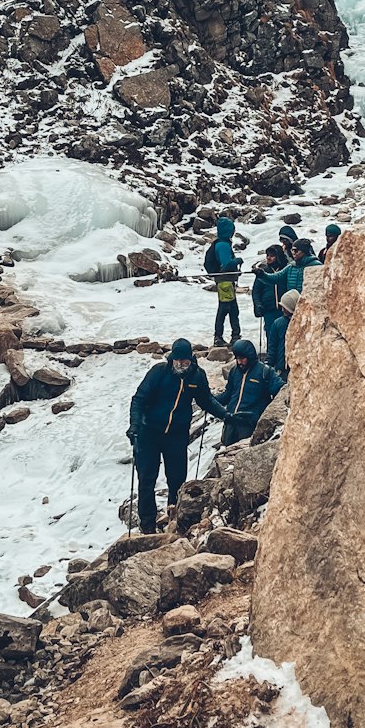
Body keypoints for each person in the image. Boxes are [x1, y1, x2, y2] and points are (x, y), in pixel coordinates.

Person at [128, 338, 232, 533]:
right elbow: (139, 400)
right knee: (146, 480)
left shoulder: (197, 376)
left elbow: (206, 401)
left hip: (176, 436)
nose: (181, 366)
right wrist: (134, 426)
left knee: (177, 481)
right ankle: (147, 525)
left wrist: (226, 416)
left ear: (191, 360)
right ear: (172, 359)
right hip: (148, 433)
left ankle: (174, 520)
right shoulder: (159, 373)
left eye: (185, 362)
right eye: (177, 361)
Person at [216, 339, 284, 446]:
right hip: (231, 422)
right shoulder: (234, 371)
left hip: (249, 424)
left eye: (242, 358)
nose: (239, 362)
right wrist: (210, 400)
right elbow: (228, 395)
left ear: (250, 356)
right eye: (237, 358)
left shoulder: (265, 372)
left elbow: (281, 392)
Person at [252, 243, 288, 351]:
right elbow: (256, 291)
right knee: (271, 337)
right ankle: (271, 361)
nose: (268, 258)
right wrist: (258, 304)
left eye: (272, 255)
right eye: (267, 255)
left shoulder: (286, 270)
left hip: (284, 311)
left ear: (279, 257)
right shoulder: (263, 272)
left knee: (284, 338)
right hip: (269, 311)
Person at [212, 215, 242, 347]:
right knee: (229, 309)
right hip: (225, 281)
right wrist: (237, 261)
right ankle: (229, 336)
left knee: (226, 309)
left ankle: (222, 336)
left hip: (223, 280)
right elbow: (226, 264)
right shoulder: (223, 245)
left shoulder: (220, 244)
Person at [268, 288, 299, 377]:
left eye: (284, 307)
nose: (282, 310)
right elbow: (272, 347)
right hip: (282, 367)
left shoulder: (278, 323)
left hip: (292, 366)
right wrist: (269, 365)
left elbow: (272, 347)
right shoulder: (278, 324)